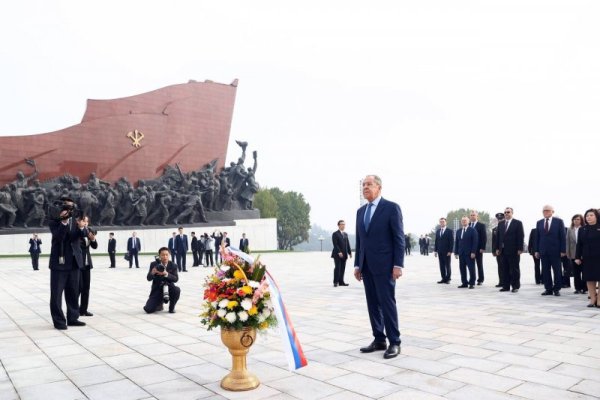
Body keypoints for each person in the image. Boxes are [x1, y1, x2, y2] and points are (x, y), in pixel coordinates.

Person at [354, 175, 404, 359]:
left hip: (385, 266)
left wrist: (398, 265)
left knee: (387, 303)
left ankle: (395, 342)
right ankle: (379, 339)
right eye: (363, 185)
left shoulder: (391, 208)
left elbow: (399, 238)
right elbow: (360, 241)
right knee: (372, 304)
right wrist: (357, 265)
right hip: (366, 266)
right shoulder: (360, 212)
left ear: (379, 187)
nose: (365, 187)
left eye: (369, 184)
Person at [48, 197, 88, 330]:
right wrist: (63, 221)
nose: (69, 210)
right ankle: (59, 321)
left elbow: (77, 237)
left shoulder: (76, 220)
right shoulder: (54, 220)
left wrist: (82, 228)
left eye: (71, 208)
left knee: (73, 292)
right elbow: (59, 237)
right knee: (57, 294)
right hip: (59, 262)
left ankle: (73, 318)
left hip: (74, 262)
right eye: (66, 207)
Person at [534, 205, 566, 297]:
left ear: (553, 212)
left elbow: (562, 237)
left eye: (548, 210)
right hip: (543, 251)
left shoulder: (559, 222)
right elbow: (537, 237)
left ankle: (557, 289)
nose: (545, 212)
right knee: (545, 271)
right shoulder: (539, 222)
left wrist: (563, 250)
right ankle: (548, 289)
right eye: (544, 211)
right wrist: (536, 250)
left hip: (556, 251)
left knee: (557, 271)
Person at [143, 247, 180, 313]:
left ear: (169, 255)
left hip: (169, 287)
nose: (165, 257)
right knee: (148, 309)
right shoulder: (154, 264)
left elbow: (176, 279)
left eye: (166, 255)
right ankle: (159, 303)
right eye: (163, 255)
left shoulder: (173, 265)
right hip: (157, 288)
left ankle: (171, 307)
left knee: (176, 290)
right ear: (159, 256)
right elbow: (148, 278)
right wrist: (152, 273)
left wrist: (166, 274)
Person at [575, 209, 600, 307]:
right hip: (587, 257)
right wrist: (577, 257)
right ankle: (592, 299)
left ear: (596, 216)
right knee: (589, 278)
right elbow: (579, 244)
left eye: (591, 215)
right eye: (587, 216)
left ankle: (599, 300)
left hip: (599, 256)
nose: (588, 217)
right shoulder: (582, 229)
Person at [495, 207, 524, 293]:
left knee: (514, 269)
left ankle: (515, 286)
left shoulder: (518, 223)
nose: (506, 214)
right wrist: (497, 248)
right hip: (502, 250)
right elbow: (498, 237)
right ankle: (506, 286)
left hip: (514, 250)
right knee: (504, 269)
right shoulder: (500, 224)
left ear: (512, 213)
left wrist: (520, 248)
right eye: (505, 212)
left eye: (508, 212)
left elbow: (520, 236)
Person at [79, 217, 97, 317]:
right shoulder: (77, 232)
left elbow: (94, 246)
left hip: (87, 264)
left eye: (87, 221)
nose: (86, 223)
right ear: (79, 222)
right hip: (78, 264)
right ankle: (74, 309)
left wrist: (93, 239)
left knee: (86, 288)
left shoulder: (89, 232)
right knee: (78, 288)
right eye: (84, 221)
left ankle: (83, 309)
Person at [454, 216, 478, 289]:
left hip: (469, 253)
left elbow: (475, 242)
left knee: (471, 269)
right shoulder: (458, 231)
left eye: (465, 220)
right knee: (462, 268)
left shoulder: (472, 230)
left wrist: (473, 252)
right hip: (461, 253)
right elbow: (457, 242)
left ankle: (472, 283)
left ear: (468, 221)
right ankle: (464, 283)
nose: (464, 222)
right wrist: (456, 252)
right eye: (462, 220)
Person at [567, 214, 586, 294]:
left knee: (585, 272)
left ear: (581, 220)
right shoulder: (570, 229)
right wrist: (568, 253)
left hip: (584, 253)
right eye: (574, 219)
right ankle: (577, 288)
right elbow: (567, 242)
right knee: (576, 272)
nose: (576, 221)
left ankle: (585, 288)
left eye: (578, 219)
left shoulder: (585, 229)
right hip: (574, 253)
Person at [331, 220, 352, 287]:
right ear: (339, 225)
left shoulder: (345, 234)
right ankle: (335, 282)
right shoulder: (335, 234)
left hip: (344, 254)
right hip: (337, 254)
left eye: (344, 224)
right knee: (338, 267)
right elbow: (335, 244)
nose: (343, 225)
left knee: (343, 268)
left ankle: (341, 282)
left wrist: (349, 252)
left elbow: (347, 244)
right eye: (342, 224)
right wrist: (339, 252)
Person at [469, 210, 487, 285]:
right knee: (471, 265)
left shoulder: (481, 225)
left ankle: (480, 279)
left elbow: (484, 237)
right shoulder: (468, 225)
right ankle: (472, 278)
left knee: (479, 264)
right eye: (471, 215)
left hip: (478, 249)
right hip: (469, 249)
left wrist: (482, 248)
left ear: (477, 216)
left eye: (474, 215)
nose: (472, 216)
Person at [434, 217, 453, 284]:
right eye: (440, 222)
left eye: (443, 221)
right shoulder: (438, 231)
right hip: (440, 251)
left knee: (447, 265)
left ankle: (448, 278)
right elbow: (436, 241)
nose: (442, 223)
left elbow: (451, 242)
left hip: (447, 252)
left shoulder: (449, 231)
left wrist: (450, 251)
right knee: (441, 265)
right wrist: (435, 250)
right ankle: (443, 278)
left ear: (446, 222)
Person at [491, 212, 505, 287]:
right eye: (498, 219)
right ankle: (501, 282)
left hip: (505, 250)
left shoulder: (506, 227)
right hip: (498, 251)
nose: (500, 220)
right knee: (500, 266)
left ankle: (507, 281)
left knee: (505, 267)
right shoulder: (495, 229)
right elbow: (494, 241)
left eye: (501, 219)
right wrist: (493, 251)